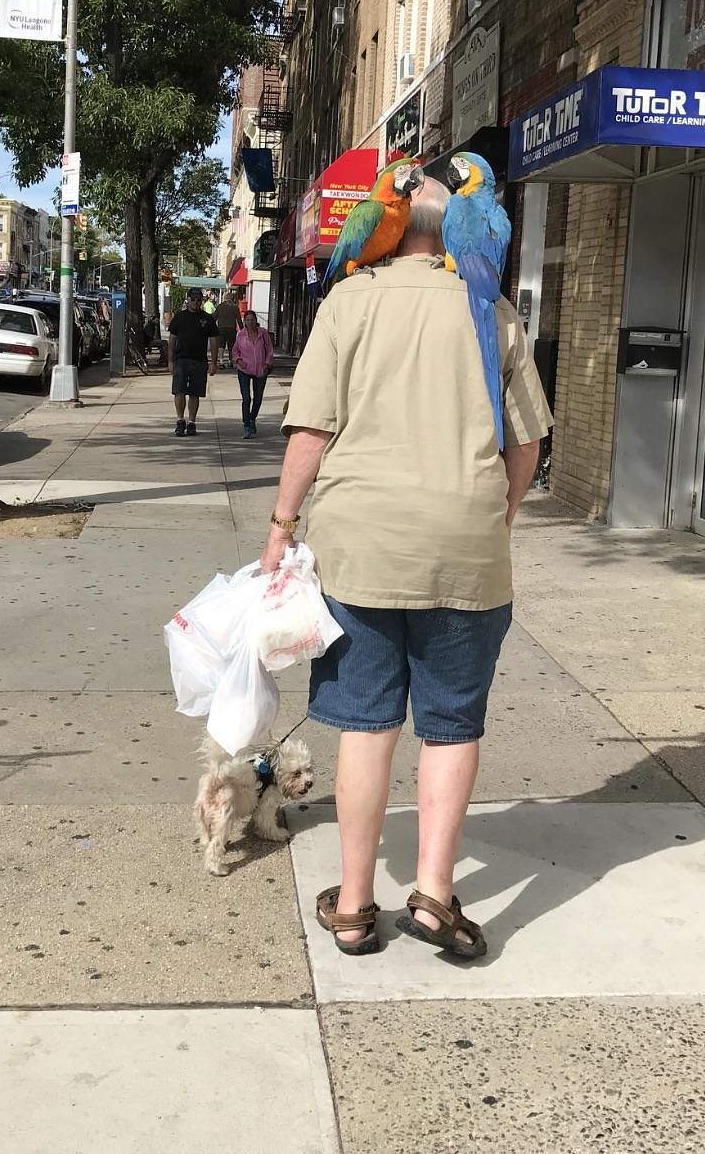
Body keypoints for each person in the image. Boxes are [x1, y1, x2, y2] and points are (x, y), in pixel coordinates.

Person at [260, 176, 552, 958]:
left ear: (396, 230)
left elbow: (311, 433)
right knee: (451, 727)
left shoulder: (348, 305)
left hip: (362, 551)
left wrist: (280, 531)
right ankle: (432, 898)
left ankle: (354, 908)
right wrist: (502, 514)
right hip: (465, 546)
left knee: (366, 724)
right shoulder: (492, 310)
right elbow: (526, 444)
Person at [167, 287, 217, 437]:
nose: (196, 302)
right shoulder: (179, 317)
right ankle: (180, 420)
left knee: (195, 393)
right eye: (193, 299)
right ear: (187, 300)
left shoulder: (207, 319)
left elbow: (214, 340)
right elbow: (172, 339)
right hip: (181, 360)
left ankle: (192, 422)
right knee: (179, 391)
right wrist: (170, 360)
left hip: (199, 361)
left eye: (198, 300)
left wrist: (214, 362)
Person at [233, 310, 274, 438]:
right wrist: (239, 361)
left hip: (260, 370)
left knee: (258, 399)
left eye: (252, 320)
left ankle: (252, 418)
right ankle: (246, 425)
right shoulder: (240, 335)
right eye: (248, 320)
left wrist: (267, 363)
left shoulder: (263, 334)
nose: (250, 322)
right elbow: (235, 352)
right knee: (246, 398)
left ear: (256, 321)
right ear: (244, 322)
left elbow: (270, 350)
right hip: (244, 370)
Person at [213, 292, 242, 369]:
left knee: (221, 345)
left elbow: (214, 317)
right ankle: (230, 361)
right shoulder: (235, 307)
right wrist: (242, 329)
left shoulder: (220, 306)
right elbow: (239, 320)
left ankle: (221, 361)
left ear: (225, 298)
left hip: (221, 329)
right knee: (231, 346)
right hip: (231, 329)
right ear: (232, 298)